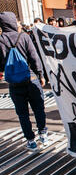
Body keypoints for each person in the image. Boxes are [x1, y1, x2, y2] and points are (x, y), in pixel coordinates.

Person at [0, 12, 48, 151]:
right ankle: (43, 133)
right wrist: (40, 74)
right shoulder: (24, 37)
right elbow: (34, 58)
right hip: (31, 78)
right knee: (39, 109)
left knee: (22, 114)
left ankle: (30, 140)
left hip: (14, 83)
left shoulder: (0, 40)